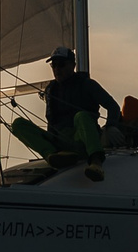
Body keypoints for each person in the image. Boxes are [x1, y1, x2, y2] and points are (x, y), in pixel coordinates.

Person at [8, 45, 121, 180]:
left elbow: (113, 106)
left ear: (73, 65)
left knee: (81, 116)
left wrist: (110, 127)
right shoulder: (51, 90)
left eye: (61, 65)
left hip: (82, 140)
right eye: (53, 65)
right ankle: (53, 156)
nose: (57, 69)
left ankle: (96, 162)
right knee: (18, 124)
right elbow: (51, 120)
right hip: (60, 143)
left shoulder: (87, 84)